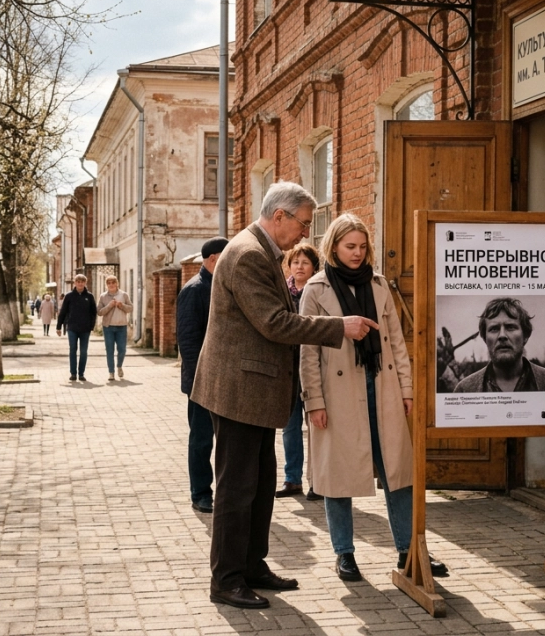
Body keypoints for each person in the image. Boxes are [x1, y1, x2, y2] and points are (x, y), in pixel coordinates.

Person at [190, 182, 378, 610]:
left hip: (252, 390)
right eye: (303, 224)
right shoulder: (249, 255)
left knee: (258, 485)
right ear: (280, 217)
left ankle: (252, 566)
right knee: (237, 489)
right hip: (239, 391)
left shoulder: (260, 250)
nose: (304, 236)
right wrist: (338, 327)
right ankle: (226, 580)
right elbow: (275, 323)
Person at [299, 213, 449, 583]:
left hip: (381, 387)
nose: (358, 253)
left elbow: (397, 342)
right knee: (337, 475)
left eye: (363, 247)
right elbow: (308, 352)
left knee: (399, 472)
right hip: (337, 393)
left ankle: (410, 550)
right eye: (350, 246)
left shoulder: (379, 284)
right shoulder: (316, 289)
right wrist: (314, 401)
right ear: (333, 246)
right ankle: (344, 554)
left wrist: (407, 390)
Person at [176, 236, 228, 514]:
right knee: (201, 439)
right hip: (202, 381)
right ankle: (200, 493)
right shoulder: (194, 290)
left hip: (225, 378)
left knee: (226, 441)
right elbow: (188, 341)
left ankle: (224, 492)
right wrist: (202, 379)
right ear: (212, 260)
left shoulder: (222, 286)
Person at [275, 243, 323, 501]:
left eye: (305, 263)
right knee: (290, 428)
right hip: (290, 371)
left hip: (314, 369)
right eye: (295, 262)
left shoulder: (320, 293)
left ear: (314, 267)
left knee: (317, 427)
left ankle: (318, 481)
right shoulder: (283, 292)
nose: (299, 267)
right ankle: (292, 479)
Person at [453, 297, 545, 393]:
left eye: (510, 327)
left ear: (525, 336)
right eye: (494, 329)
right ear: (485, 339)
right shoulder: (464, 390)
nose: (502, 335)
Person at [56, 274, 97, 382]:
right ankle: (73, 373)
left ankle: (81, 373)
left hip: (85, 329)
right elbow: (63, 311)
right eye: (78, 281)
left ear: (85, 283)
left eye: (82, 282)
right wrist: (58, 326)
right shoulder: (69, 296)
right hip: (72, 328)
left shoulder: (89, 296)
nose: (80, 283)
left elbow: (94, 312)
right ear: (75, 283)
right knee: (72, 350)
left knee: (83, 352)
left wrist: (91, 326)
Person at [97, 276, 133, 381]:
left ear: (117, 283)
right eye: (109, 283)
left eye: (113, 282)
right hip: (108, 327)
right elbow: (99, 312)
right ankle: (111, 372)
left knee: (122, 349)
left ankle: (119, 366)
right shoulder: (103, 296)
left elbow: (130, 308)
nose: (111, 285)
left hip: (121, 326)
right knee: (110, 350)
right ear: (106, 285)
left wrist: (121, 306)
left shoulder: (123, 295)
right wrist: (109, 306)